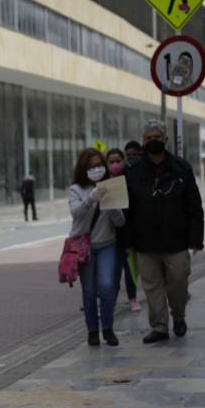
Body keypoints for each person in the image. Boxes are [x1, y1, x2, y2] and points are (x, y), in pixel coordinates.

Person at [124, 119, 204, 343]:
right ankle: (159, 326)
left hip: (176, 241)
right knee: (151, 287)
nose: (152, 141)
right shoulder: (131, 171)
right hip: (144, 241)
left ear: (166, 140)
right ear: (142, 141)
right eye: (148, 138)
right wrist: (127, 241)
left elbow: (194, 206)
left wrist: (196, 240)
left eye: (157, 138)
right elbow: (125, 208)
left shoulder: (182, 168)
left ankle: (178, 316)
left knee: (179, 281)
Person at [70, 149, 126, 347]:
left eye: (99, 165)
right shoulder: (75, 189)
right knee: (89, 291)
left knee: (107, 287)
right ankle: (92, 330)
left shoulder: (111, 187)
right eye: (92, 166)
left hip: (107, 245)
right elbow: (76, 213)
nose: (96, 169)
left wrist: (112, 206)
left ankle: (108, 328)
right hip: (84, 247)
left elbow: (120, 222)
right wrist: (91, 198)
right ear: (84, 168)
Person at [106, 148, 140, 312]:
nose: (115, 165)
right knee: (113, 271)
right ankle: (109, 301)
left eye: (118, 160)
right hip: (109, 236)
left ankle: (132, 298)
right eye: (111, 161)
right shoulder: (103, 183)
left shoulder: (130, 179)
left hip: (127, 234)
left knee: (129, 269)